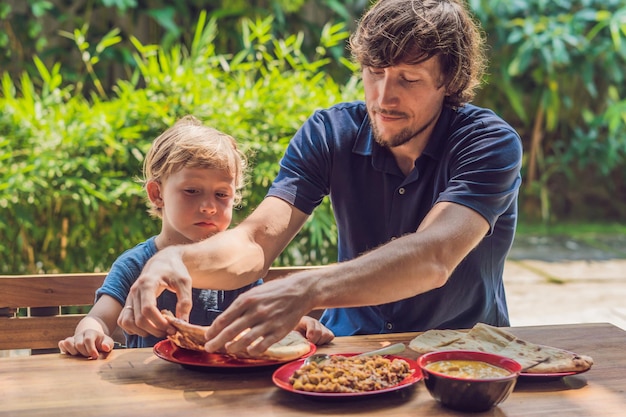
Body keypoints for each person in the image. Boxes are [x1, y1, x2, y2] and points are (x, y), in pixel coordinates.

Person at [119, 0, 522, 358]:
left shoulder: (488, 143)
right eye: (374, 72)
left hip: (464, 357)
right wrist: (175, 258)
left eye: (409, 79)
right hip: (349, 354)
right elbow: (256, 240)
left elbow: (433, 257)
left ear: (448, 80)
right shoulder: (329, 134)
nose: (383, 97)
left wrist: (308, 288)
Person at [58, 115, 334, 359]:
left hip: (220, 386)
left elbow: (258, 319)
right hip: (148, 385)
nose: (209, 206)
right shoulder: (135, 264)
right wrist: (90, 334)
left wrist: (296, 324)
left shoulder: (236, 268)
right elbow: (99, 318)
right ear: (157, 194)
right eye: (192, 191)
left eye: (221, 194)